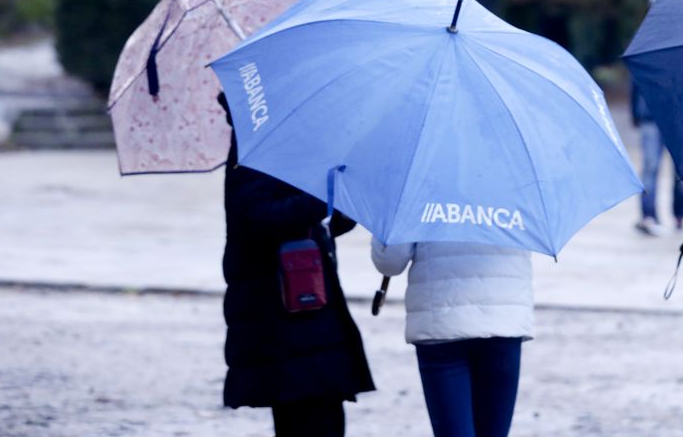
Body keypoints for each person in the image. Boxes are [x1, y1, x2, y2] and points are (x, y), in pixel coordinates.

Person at [219, 94, 375, 437]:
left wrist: (343, 210)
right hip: (282, 313)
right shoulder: (255, 150)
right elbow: (257, 217)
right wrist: (323, 195)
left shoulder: (282, 145)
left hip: (304, 311)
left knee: (321, 414)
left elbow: (307, 224)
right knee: (309, 417)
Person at [370, 239, 533, 437]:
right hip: (502, 322)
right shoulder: (522, 206)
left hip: (441, 324)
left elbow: (390, 262)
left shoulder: (415, 206)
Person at [631, 75, 683, 235]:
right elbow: (636, 80)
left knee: (680, 171)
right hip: (651, 115)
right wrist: (635, 111)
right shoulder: (645, 50)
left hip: (677, 118)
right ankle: (648, 215)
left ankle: (679, 214)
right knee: (650, 168)